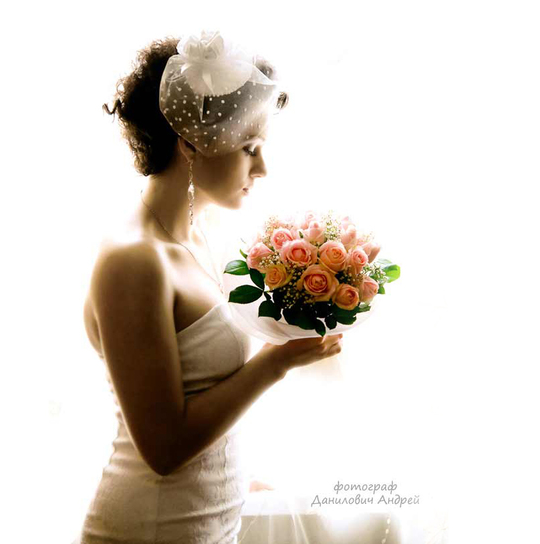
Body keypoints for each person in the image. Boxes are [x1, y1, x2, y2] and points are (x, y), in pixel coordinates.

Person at [77, 30, 343, 544]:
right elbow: (163, 447)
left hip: (205, 525)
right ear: (190, 143)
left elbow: (202, 391)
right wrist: (275, 362)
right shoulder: (135, 261)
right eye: (249, 148)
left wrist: (236, 480)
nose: (262, 168)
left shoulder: (204, 235)